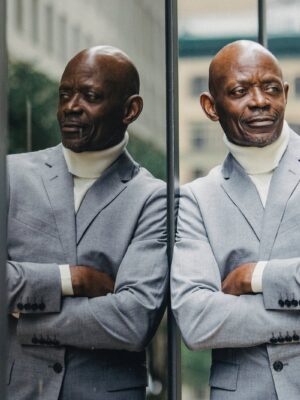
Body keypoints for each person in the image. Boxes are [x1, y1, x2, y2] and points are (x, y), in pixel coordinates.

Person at [7, 45, 168, 400]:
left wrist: (24, 320)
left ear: (131, 110)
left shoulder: (154, 198)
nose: (71, 107)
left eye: (90, 96)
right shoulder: (11, 175)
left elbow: (133, 320)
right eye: (65, 94)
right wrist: (70, 279)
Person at [171, 40, 300, 400]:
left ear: (285, 94)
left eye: (271, 88)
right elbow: (196, 321)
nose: (260, 101)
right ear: (210, 107)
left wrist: (256, 277)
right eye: (240, 91)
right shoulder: (198, 198)